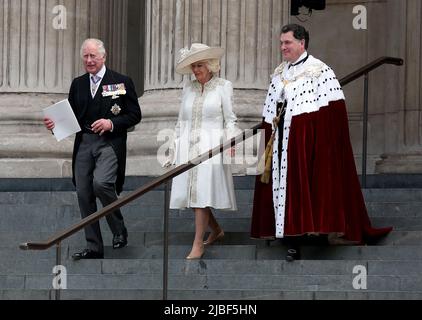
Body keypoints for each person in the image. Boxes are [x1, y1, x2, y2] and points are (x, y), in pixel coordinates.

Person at [250, 24, 392, 261]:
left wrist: (318, 144)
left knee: (304, 187)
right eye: (281, 43)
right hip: (280, 143)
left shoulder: (319, 70)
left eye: (287, 43)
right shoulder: (278, 74)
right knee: (283, 188)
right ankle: (288, 237)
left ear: (302, 43)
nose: (282, 47)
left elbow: (332, 114)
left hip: (305, 144)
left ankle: (303, 239)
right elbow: (269, 113)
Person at [44, 38, 142, 260]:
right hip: (84, 142)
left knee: (101, 183)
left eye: (93, 56)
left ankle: (118, 229)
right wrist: (54, 125)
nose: (89, 60)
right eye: (85, 57)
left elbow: (135, 114)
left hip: (109, 142)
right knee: (83, 192)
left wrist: (111, 123)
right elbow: (70, 118)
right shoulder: (78, 84)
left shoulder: (121, 81)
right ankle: (94, 246)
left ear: (103, 57)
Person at [165, 43, 240, 259]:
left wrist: (231, 140)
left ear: (210, 65)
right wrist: (174, 145)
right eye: (193, 66)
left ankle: (198, 243)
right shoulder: (188, 88)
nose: (196, 70)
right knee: (192, 195)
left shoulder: (223, 86)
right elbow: (181, 120)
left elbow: (230, 118)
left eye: (199, 65)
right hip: (188, 146)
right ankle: (216, 230)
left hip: (212, 146)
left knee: (202, 193)